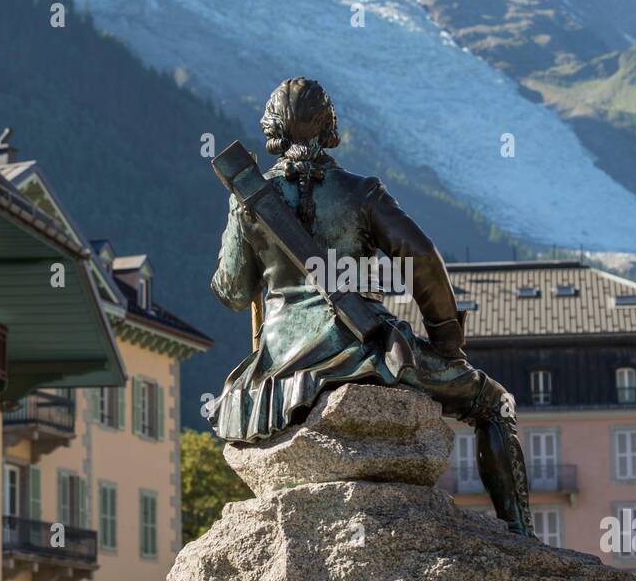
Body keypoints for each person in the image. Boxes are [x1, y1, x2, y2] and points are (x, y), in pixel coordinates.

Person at [208, 76, 534, 537]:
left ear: (272, 131)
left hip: (278, 362)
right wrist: (446, 340)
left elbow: (233, 292)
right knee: (494, 403)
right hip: (361, 345)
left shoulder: (247, 198)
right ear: (329, 127)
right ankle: (519, 534)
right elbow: (421, 258)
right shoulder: (360, 192)